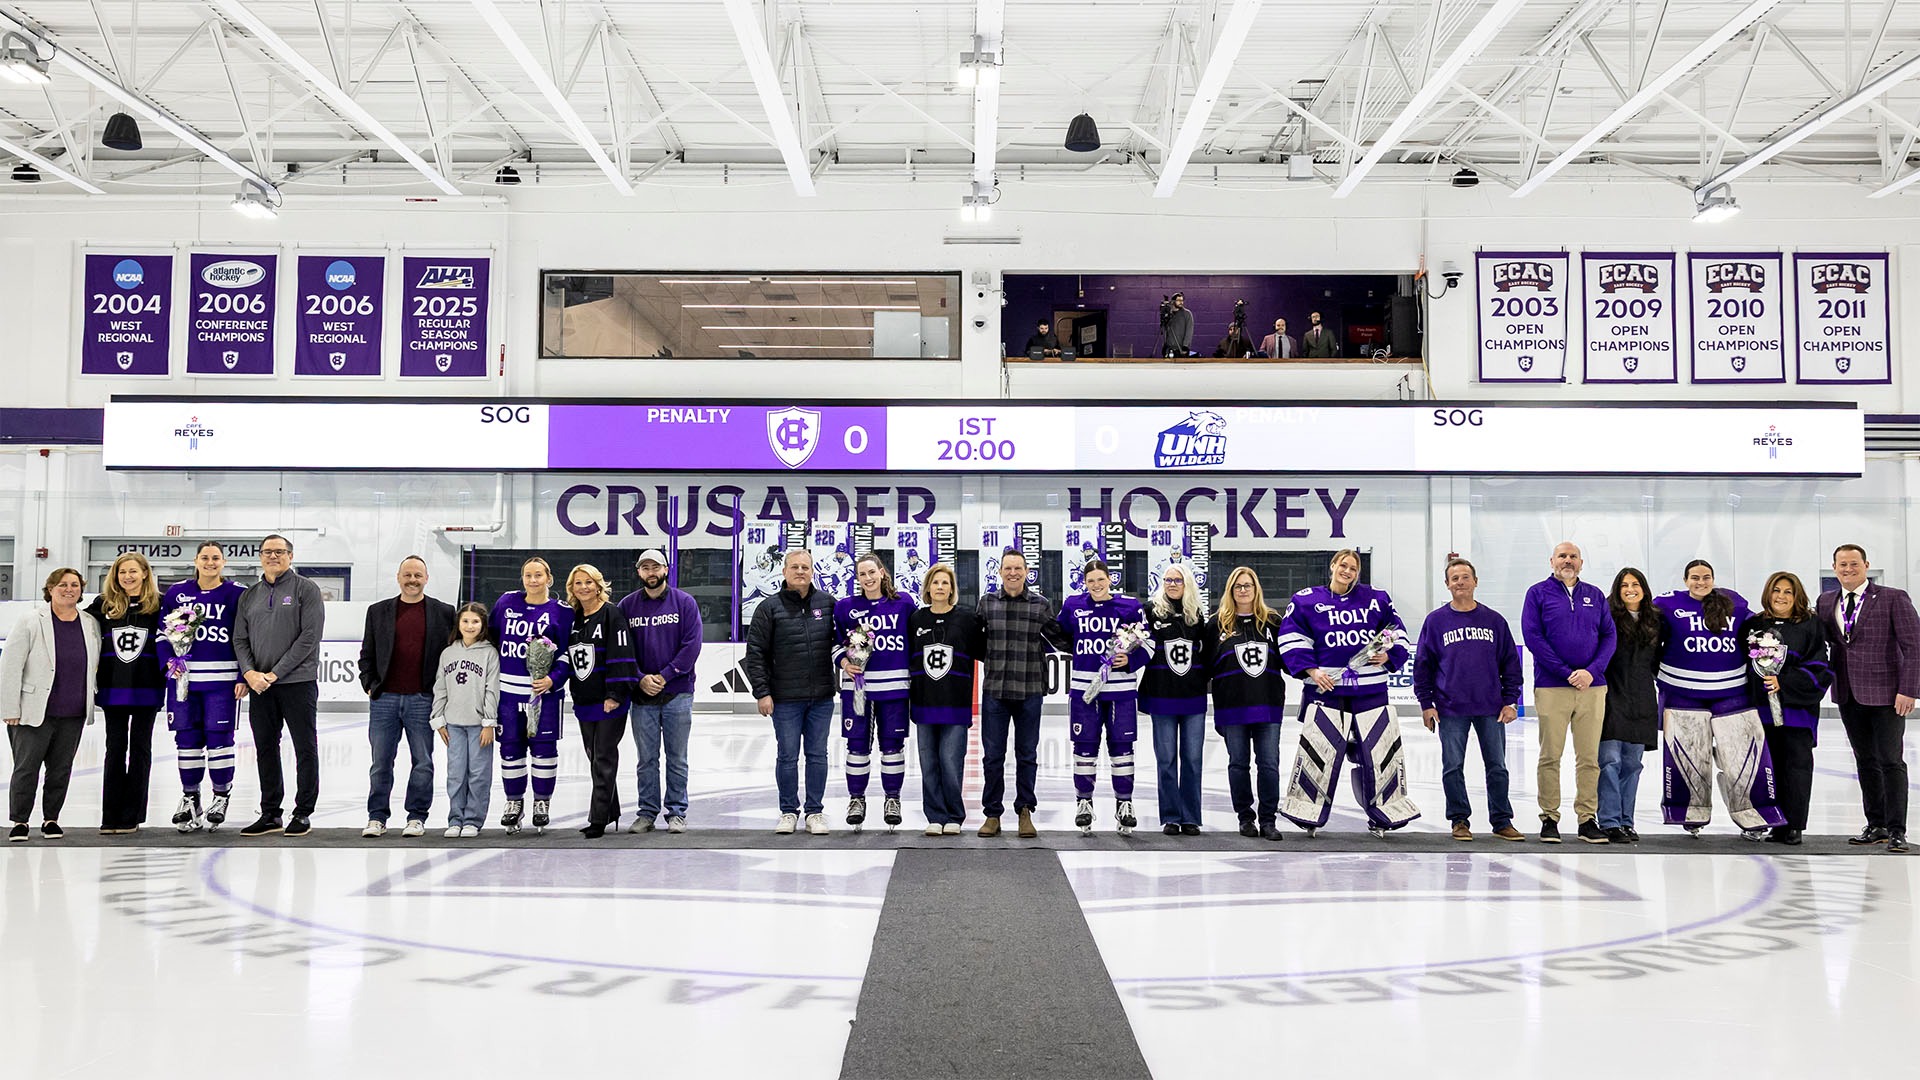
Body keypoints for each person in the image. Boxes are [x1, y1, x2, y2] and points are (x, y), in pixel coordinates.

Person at [1278, 549, 1418, 837]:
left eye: (1353, 568)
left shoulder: (1376, 598)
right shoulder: (1306, 600)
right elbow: (1291, 637)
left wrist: (1389, 655)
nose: (1347, 571)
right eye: (1343, 565)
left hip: (1370, 693)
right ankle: (1307, 811)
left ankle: (1384, 812)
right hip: (1326, 692)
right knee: (1319, 751)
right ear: (1333, 566)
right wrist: (1312, 671)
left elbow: (1397, 632)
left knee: (1377, 754)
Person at [1652, 559, 1782, 838]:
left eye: (1706, 577)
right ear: (1685, 580)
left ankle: (1755, 813)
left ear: (1713, 578)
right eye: (1695, 577)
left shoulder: (1733, 602)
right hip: (1682, 691)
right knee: (1688, 757)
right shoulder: (1667, 603)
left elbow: (1756, 629)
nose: (1701, 582)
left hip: (1732, 691)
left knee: (1743, 755)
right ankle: (1690, 812)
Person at [1412, 558, 1524, 842]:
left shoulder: (1494, 621)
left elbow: (1511, 664)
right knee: (1452, 767)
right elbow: (1423, 666)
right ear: (1447, 584)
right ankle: (1459, 820)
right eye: (1455, 578)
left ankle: (1502, 820)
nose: (1460, 582)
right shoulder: (1435, 621)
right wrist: (1426, 704)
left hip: (1491, 708)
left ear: (1475, 581)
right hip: (1450, 708)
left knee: (1497, 766)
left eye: (1465, 577)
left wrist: (1510, 700)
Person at [1816, 544, 1918, 852]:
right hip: (1848, 693)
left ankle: (1897, 830)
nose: (1848, 569)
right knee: (1865, 761)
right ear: (1835, 568)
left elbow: (1914, 647)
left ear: (1866, 565)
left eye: (1854, 564)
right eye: (1842, 564)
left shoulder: (1892, 598)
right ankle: (1876, 825)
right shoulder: (1826, 601)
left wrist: (1909, 690)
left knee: (1891, 761)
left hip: (1887, 694)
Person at [1520, 541, 1615, 844]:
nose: (1568, 561)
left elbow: (1609, 636)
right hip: (1552, 686)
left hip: (1591, 687)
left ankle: (1587, 819)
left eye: (1573, 556)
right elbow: (1533, 637)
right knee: (1550, 755)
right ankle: (1549, 818)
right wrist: (1565, 672)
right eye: (1562, 556)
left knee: (1589, 757)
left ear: (1581, 563)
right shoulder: (1537, 593)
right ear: (1552, 561)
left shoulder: (1595, 595)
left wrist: (1591, 672)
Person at [234, 534, 326, 838]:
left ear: (290, 556)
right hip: (260, 686)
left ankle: (302, 812)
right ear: (260, 556)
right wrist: (250, 672)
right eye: (267, 552)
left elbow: (309, 637)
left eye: (279, 551)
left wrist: (274, 674)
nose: (273, 556)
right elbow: (240, 639)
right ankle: (271, 812)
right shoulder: (250, 595)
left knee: (304, 747)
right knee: (265, 748)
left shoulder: (306, 590)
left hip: (297, 683)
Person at [356, 556, 455, 839]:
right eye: (408, 575)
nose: (413, 580)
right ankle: (377, 817)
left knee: (423, 761)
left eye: (418, 575)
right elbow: (367, 654)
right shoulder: (378, 611)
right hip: (384, 699)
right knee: (380, 762)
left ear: (427, 578)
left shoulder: (444, 612)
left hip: (423, 700)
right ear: (398, 577)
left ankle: (416, 817)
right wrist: (370, 684)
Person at [2, 568, 100, 842]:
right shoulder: (31, 620)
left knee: (60, 770)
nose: (69, 589)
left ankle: (51, 819)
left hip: (73, 711)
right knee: (26, 769)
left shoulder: (90, 623)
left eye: (75, 585)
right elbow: (11, 665)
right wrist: (10, 708)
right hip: (34, 710)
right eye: (63, 585)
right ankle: (20, 821)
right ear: (50, 589)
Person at [155, 542, 247, 833]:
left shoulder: (237, 593)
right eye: (205, 557)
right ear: (196, 560)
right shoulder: (177, 593)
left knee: (220, 738)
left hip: (222, 682)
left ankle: (221, 797)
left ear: (224, 562)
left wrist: (243, 675)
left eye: (215, 558)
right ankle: (190, 798)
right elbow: (162, 633)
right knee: (187, 740)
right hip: (184, 681)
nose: (210, 562)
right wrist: (168, 662)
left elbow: (246, 636)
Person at [745, 548, 837, 836]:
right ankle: (788, 811)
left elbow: (844, 642)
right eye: (794, 567)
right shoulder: (769, 608)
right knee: (787, 756)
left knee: (817, 755)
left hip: (821, 697)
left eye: (805, 567)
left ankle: (814, 812)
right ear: (784, 571)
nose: (800, 571)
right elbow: (755, 653)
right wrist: (762, 692)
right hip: (784, 699)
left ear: (812, 571)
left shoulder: (828, 603)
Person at [1057, 559, 1150, 835]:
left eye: (1101, 579)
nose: (1096, 585)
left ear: (1110, 579)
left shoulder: (1129, 606)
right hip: (1084, 692)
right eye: (1091, 581)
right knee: (1084, 746)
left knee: (1122, 747)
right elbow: (1059, 634)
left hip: (1121, 692)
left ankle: (1125, 804)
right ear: (1084, 583)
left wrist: (1130, 661)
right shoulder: (1073, 605)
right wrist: (1077, 650)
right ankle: (1083, 802)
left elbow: (1148, 642)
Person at [977, 549, 1066, 838]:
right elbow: (975, 642)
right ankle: (992, 814)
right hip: (995, 691)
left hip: (1030, 691)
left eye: (1018, 568)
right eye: (1008, 568)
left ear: (1027, 572)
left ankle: (1025, 810)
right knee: (993, 756)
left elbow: (1060, 639)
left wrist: (1097, 640)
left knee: (1027, 755)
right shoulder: (986, 603)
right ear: (1000, 572)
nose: (1013, 573)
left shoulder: (1040, 605)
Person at [1743, 571, 1832, 846]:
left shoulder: (1810, 624)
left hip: (1796, 712)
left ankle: (1794, 825)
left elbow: (1820, 666)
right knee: (1769, 768)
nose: (1781, 596)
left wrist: (1784, 682)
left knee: (1796, 766)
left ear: (1797, 596)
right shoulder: (1755, 624)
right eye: (1776, 590)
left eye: (1787, 592)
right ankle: (1775, 822)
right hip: (1762, 711)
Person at [618, 549, 703, 834]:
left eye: (656, 567)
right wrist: (640, 678)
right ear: (638, 572)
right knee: (646, 760)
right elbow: (622, 650)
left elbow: (692, 646)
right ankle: (646, 813)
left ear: (666, 569)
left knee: (677, 758)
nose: (651, 572)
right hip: (642, 696)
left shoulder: (684, 603)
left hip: (678, 693)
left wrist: (665, 676)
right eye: (645, 568)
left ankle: (677, 812)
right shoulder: (627, 606)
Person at [491, 557, 574, 834]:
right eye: (528, 575)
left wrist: (553, 679)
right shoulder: (506, 603)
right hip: (508, 694)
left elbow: (568, 652)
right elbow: (492, 640)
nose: (533, 580)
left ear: (549, 578)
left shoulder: (562, 611)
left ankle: (542, 801)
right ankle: (514, 801)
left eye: (538, 575)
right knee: (510, 748)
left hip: (545, 695)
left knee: (544, 749)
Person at [835, 553, 916, 831]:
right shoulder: (845, 607)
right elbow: (835, 643)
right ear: (857, 578)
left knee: (892, 747)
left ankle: (892, 799)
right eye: (862, 574)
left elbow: (915, 640)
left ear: (882, 572)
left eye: (872, 572)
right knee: (857, 746)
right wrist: (843, 662)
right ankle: (856, 799)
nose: (868, 578)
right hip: (858, 689)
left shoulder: (904, 603)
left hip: (894, 688)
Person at [86, 552, 164, 834]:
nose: (127, 576)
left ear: (144, 573)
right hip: (113, 687)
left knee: (141, 750)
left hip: (147, 686)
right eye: (122, 572)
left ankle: (132, 815)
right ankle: (111, 815)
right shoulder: (103, 604)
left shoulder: (160, 604)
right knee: (115, 749)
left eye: (133, 571)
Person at [1211, 566, 1288, 841]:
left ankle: (1268, 820)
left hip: (1268, 705)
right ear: (1230, 591)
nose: (1243, 590)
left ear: (1256, 589)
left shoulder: (1273, 621)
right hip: (1232, 707)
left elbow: (1290, 659)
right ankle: (1245, 818)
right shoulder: (1217, 624)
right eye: (1238, 586)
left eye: (1248, 585)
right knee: (1238, 764)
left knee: (1269, 764)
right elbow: (1205, 665)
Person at [908, 564, 985, 835]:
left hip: (955, 704)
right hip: (924, 703)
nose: (940, 587)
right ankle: (935, 815)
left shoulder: (966, 619)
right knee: (928, 763)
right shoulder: (916, 619)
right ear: (928, 588)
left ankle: (954, 815)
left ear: (952, 589)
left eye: (945, 583)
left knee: (950, 762)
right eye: (935, 582)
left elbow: (986, 651)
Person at [565, 564, 638, 838]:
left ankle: (598, 819)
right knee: (595, 757)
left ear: (598, 586)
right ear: (572, 588)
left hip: (609, 701)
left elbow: (622, 654)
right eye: (578, 583)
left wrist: (615, 694)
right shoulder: (574, 619)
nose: (583, 587)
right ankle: (610, 812)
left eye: (588, 582)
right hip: (585, 701)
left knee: (604, 757)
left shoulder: (611, 614)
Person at [1141, 563, 1211, 835]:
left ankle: (1190, 817)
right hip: (1162, 698)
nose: (1172, 584)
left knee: (1192, 760)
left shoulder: (1198, 615)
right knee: (1166, 760)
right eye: (1168, 580)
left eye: (1177, 580)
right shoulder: (1151, 611)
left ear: (1187, 584)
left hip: (1193, 698)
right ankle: (1171, 816)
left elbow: (1206, 654)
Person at [1598, 568, 1661, 843]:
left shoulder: (1655, 620)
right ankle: (1610, 821)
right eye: (1624, 585)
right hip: (1611, 695)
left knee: (1632, 764)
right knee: (1609, 761)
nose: (1630, 589)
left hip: (1642, 698)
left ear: (1644, 589)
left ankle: (1626, 821)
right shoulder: (1607, 617)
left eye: (1635, 584)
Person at [432, 603, 499, 838]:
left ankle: (472, 820)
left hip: (479, 726)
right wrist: (438, 719)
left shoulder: (490, 653)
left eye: (475, 621)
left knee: (479, 774)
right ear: (458, 624)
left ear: (483, 624)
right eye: (465, 621)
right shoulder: (448, 653)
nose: (470, 626)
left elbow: (492, 690)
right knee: (456, 774)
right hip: (453, 724)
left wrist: (489, 722)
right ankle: (455, 819)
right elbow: (440, 687)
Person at [1162, 292, 1194, 357]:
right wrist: (1164, 345)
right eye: (1179, 300)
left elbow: (1189, 331)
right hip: (1169, 348)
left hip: (1181, 349)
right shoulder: (1169, 315)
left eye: (1182, 300)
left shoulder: (1187, 314)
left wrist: (1185, 346)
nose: (1181, 302)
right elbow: (1165, 331)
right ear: (1173, 301)